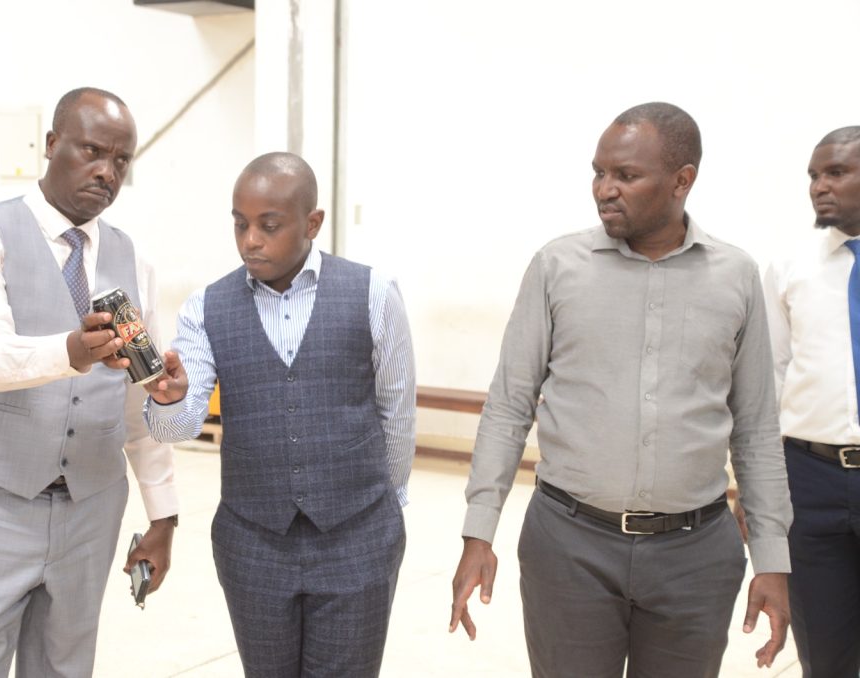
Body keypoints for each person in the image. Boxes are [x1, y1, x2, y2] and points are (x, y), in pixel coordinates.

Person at [448, 102, 793, 677]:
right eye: (599, 172)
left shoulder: (735, 276)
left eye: (626, 175)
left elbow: (756, 429)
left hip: (695, 558)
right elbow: (508, 406)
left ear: (682, 180)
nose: (605, 189)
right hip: (569, 546)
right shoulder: (557, 266)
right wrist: (478, 533)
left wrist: (772, 558)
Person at [0, 87, 180, 678]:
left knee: (65, 669)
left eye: (121, 160)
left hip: (90, 512)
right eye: (92, 151)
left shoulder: (134, 260)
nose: (107, 172)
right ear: (52, 143)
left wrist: (163, 516)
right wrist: (73, 351)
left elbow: (138, 404)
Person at [145, 151, 416, 677]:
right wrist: (169, 398)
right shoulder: (206, 308)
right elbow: (179, 428)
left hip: (358, 539)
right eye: (240, 224)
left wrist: (383, 511)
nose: (251, 240)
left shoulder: (373, 293)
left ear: (312, 223)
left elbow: (396, 412)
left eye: (269, 226)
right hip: (253, 545)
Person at [764, 126, 860, 677]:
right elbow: (772, 377)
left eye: (836, 173)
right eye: (814, 175)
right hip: (810, 479)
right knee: (823, 653)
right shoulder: (789, 265)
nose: (819, 186)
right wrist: (762, 488)